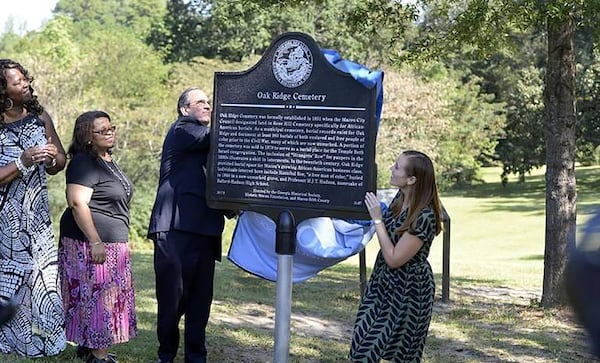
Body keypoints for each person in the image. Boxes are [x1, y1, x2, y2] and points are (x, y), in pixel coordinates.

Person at [148, 87, 230, 363]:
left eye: (209, 102)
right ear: (185, 109)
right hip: (174, 228)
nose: (208, 106)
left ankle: (197, 356)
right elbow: (218, 137)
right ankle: (166, 355)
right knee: (172, 298)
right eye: (201, 103)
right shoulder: (183, 129)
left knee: (200, 300)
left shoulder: (206, 146)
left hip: (205, 230)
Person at [0, 59, 67, 357]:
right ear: (3, 91)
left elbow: (60, 163)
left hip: (37, 214)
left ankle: (46, 338)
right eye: (17, 82)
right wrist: (23, 161)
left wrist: (52, 157)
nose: (25, 84)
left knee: (43, 275)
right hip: (5, 218)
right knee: (12, 275)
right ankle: (10, 338)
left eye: (25, 78)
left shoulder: (41, 117)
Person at [58, 110, 137, 363]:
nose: (109, 132)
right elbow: (77, 203)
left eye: (111, 127)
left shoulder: (107, 160)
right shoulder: (84, 162)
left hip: (112, 241)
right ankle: (99, 355)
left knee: (102, 296)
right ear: (87, 137)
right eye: (102, 130)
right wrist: (95, 241)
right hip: (88, 242)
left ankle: (89, 347)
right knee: (99, 298)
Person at [350, 150, 443, 362]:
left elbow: (394, 258)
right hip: (382, 284)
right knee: (363, 345)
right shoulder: (399, 200)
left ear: (411, 179)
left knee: (403, 355)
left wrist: (377, 220)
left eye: (397, 166)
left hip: (410, 290)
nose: (392, 168)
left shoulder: (424, 216)